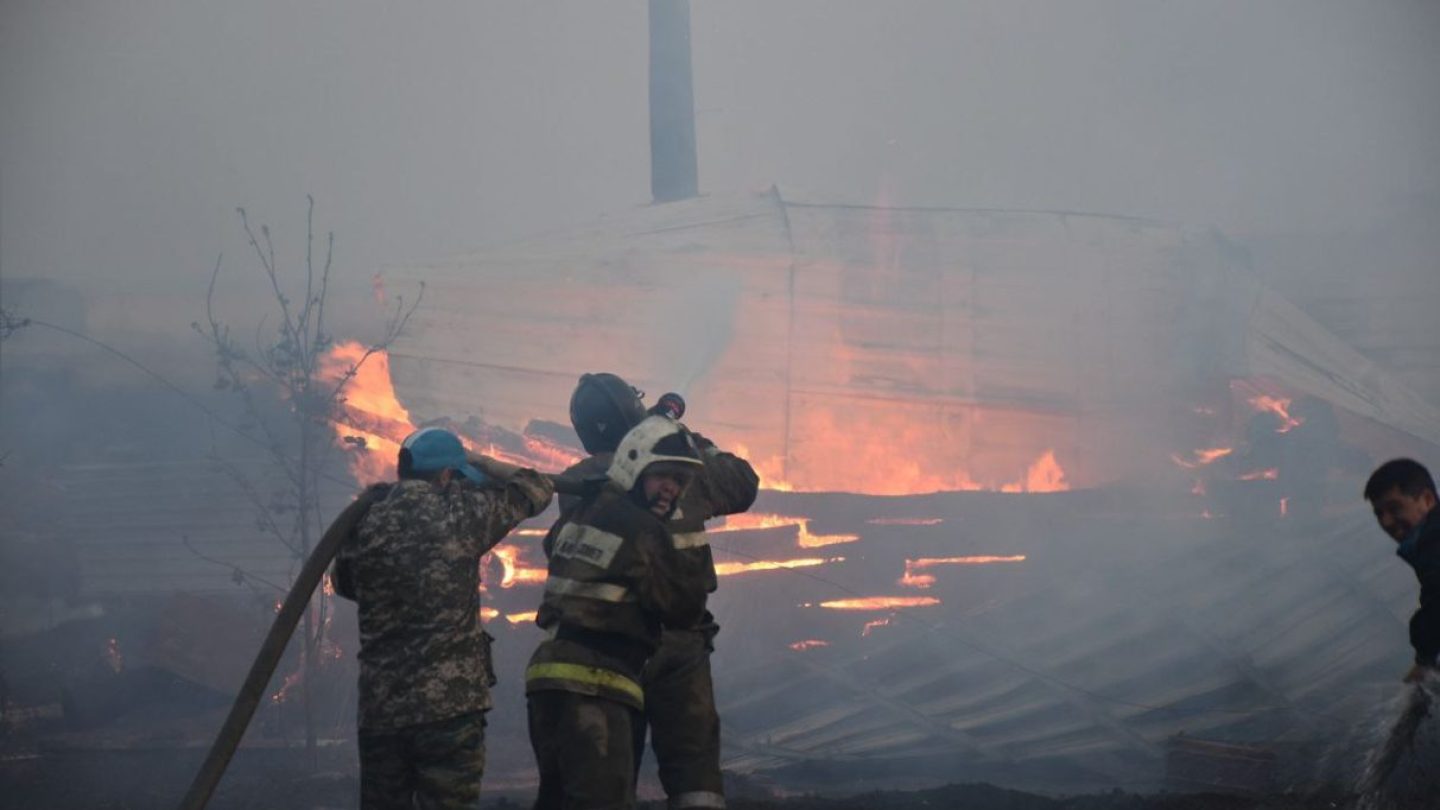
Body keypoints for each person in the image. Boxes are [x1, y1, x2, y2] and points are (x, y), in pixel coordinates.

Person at [330, 427, 554, 810]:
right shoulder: (460, 515)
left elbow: (346, 585)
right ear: (448, 475)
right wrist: (479, 460)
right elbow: (537, 487)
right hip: (449, 710)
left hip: (382, 709)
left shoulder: (365, 519)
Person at [563, 373, 759, 809]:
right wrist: (680, 437)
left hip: (610, 645)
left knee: (609, 774)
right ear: (631, 413)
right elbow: (744, 482)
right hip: (680, 643)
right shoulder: (682, 469)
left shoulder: (578, 482)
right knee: (694, 775)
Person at [527, 415, 712, 810]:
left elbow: (553, 549)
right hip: (597, 685)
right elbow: (682, 608)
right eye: (663, 475)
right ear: (633, 466)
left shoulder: (577, 517)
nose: (671, 489)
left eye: (679, 481)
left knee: (556, 801)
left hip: (546, 682)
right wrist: (690, 560)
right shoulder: (646, 531)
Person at [1364, 458, 1440, 683]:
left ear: (1426, 500)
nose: (1387, 521)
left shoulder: (1434, 543)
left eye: (1395, 508)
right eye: (1379, 514)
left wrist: (1424, 659)